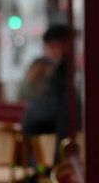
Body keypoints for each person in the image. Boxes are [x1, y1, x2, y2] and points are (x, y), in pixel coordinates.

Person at [22, 25, 79, 161]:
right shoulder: (50, 68)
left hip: (55, 140)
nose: (54, 52)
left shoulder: (61, 71)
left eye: (56, 47)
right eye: (51, 48)